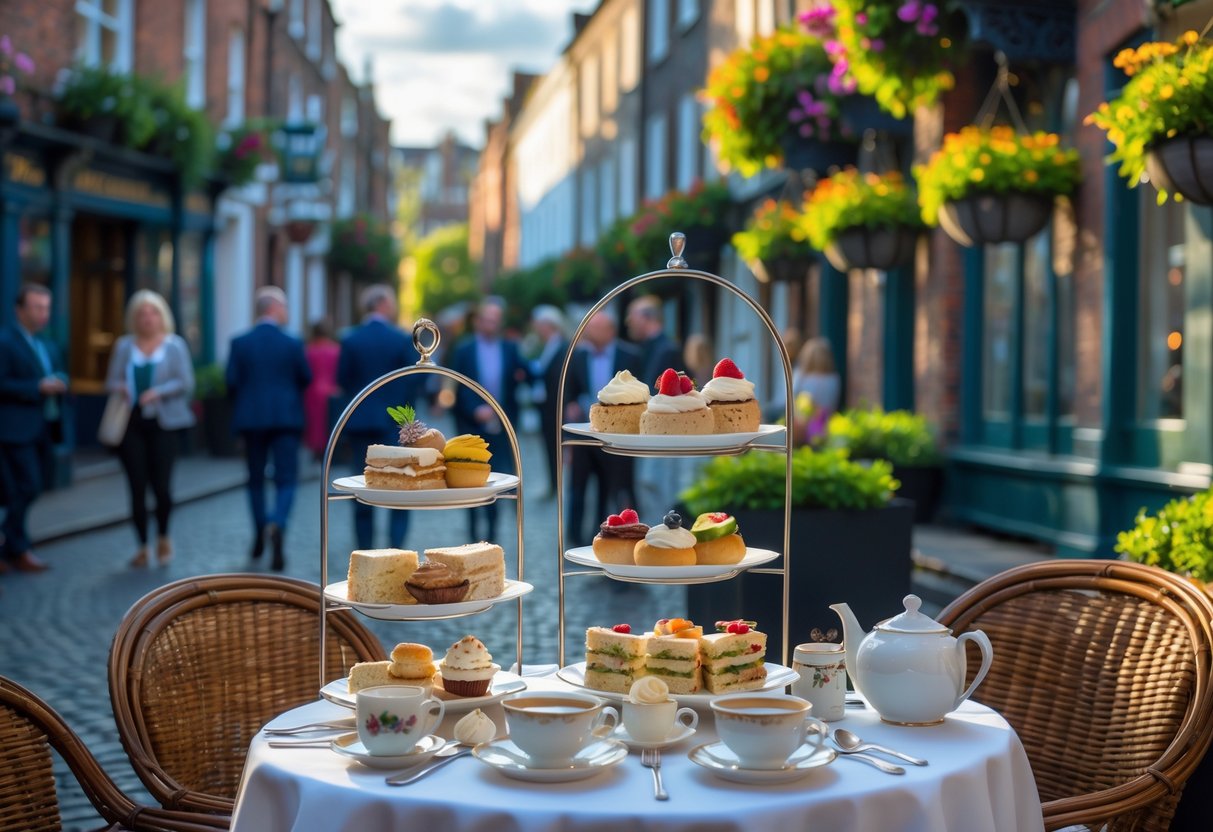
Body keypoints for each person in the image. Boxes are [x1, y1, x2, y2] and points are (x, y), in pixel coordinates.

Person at [104, 290, 196, 568]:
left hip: (164, 424)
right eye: (142, 313)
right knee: (136, 486)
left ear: (161, 316)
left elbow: (186, 383)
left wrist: (159, 392)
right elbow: (110, 381)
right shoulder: (124, 346)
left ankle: (164, 536)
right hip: (130, 424)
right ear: (134, 317)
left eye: (153, 312)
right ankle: (142, 545)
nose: (147, 318)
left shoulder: (174, 345)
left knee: (162, 487)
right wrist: (121, 387)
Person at [226, 286, 311, 571]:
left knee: (255, 479)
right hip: (286, 418)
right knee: (286, 479)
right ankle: (279, 522)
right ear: (274, 308)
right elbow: (305, 377)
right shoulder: (292, 342)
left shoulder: (240, 342)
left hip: (251, 419)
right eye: (284, 306)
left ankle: (259, 531)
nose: (286, 312)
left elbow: (231, 381)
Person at [337, 284, 422, 550]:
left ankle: (365, 547)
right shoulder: (399, 339)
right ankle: (396, 546)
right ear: (384, 304)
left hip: (360, 424)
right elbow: (414, 380)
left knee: (363, 486)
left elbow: (342, 381)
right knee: (400, 487)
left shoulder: (351, 339)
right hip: (394, 425)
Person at [450, 298, 531, 542]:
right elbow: (457, 385)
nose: (491, 324)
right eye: (487, 319)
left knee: (496, 478)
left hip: (502, 426)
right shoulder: (464, 349)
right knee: (470, 482)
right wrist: (475, 409)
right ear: (477, 321)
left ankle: (493, 535)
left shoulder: (510, 348)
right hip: (471, 427)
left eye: (495, 320)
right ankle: (473, 535)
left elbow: (524, 374)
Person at [0, 284, 66, 575]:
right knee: (25, 487)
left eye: (47, 307)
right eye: (37, 307)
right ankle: (17, 547)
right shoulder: (5, 341)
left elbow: (57, 372)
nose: (43, 314)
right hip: (14, 430)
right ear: (20, 310)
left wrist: (61, 381)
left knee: (30, 488)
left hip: (44, 428)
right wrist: (36, 387)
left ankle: (12, 547)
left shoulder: (46, 343)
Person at [563, 311, 643, 546]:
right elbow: (570, 393)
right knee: (577, 488)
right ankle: (574, 539)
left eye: (596, 327)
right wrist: (572, 405)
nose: (589, 332)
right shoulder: (577, 357)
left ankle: (610, 535)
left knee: (613, 488)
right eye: (589, 327)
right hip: (585, 436)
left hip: (617, 436)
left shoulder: (631, 356)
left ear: (611, 330)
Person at [529, 305, 569, 498]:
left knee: (556, 448)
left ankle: (557, 485)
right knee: (549, 448)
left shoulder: (561, 346)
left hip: (556, 407)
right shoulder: (546, 346)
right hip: (546, 407)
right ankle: (554, 484)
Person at [303, 319, 340, 461]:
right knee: (328, 422)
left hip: (311, 391)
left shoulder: (308, 350)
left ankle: (316, 450)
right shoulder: (335, 350)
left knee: (314, 424)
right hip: (331, 390)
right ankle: (329, 450)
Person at [625, 294, 681, 386]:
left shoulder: (668, 351)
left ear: (645, 318)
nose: (628, 322)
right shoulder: (648, 347)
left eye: (632, 317)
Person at [794, 337, 841, 443]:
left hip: (802, 425)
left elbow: (792, 399)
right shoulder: (833, 379)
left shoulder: (800, 376)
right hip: (825, 424)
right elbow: (832, 403)